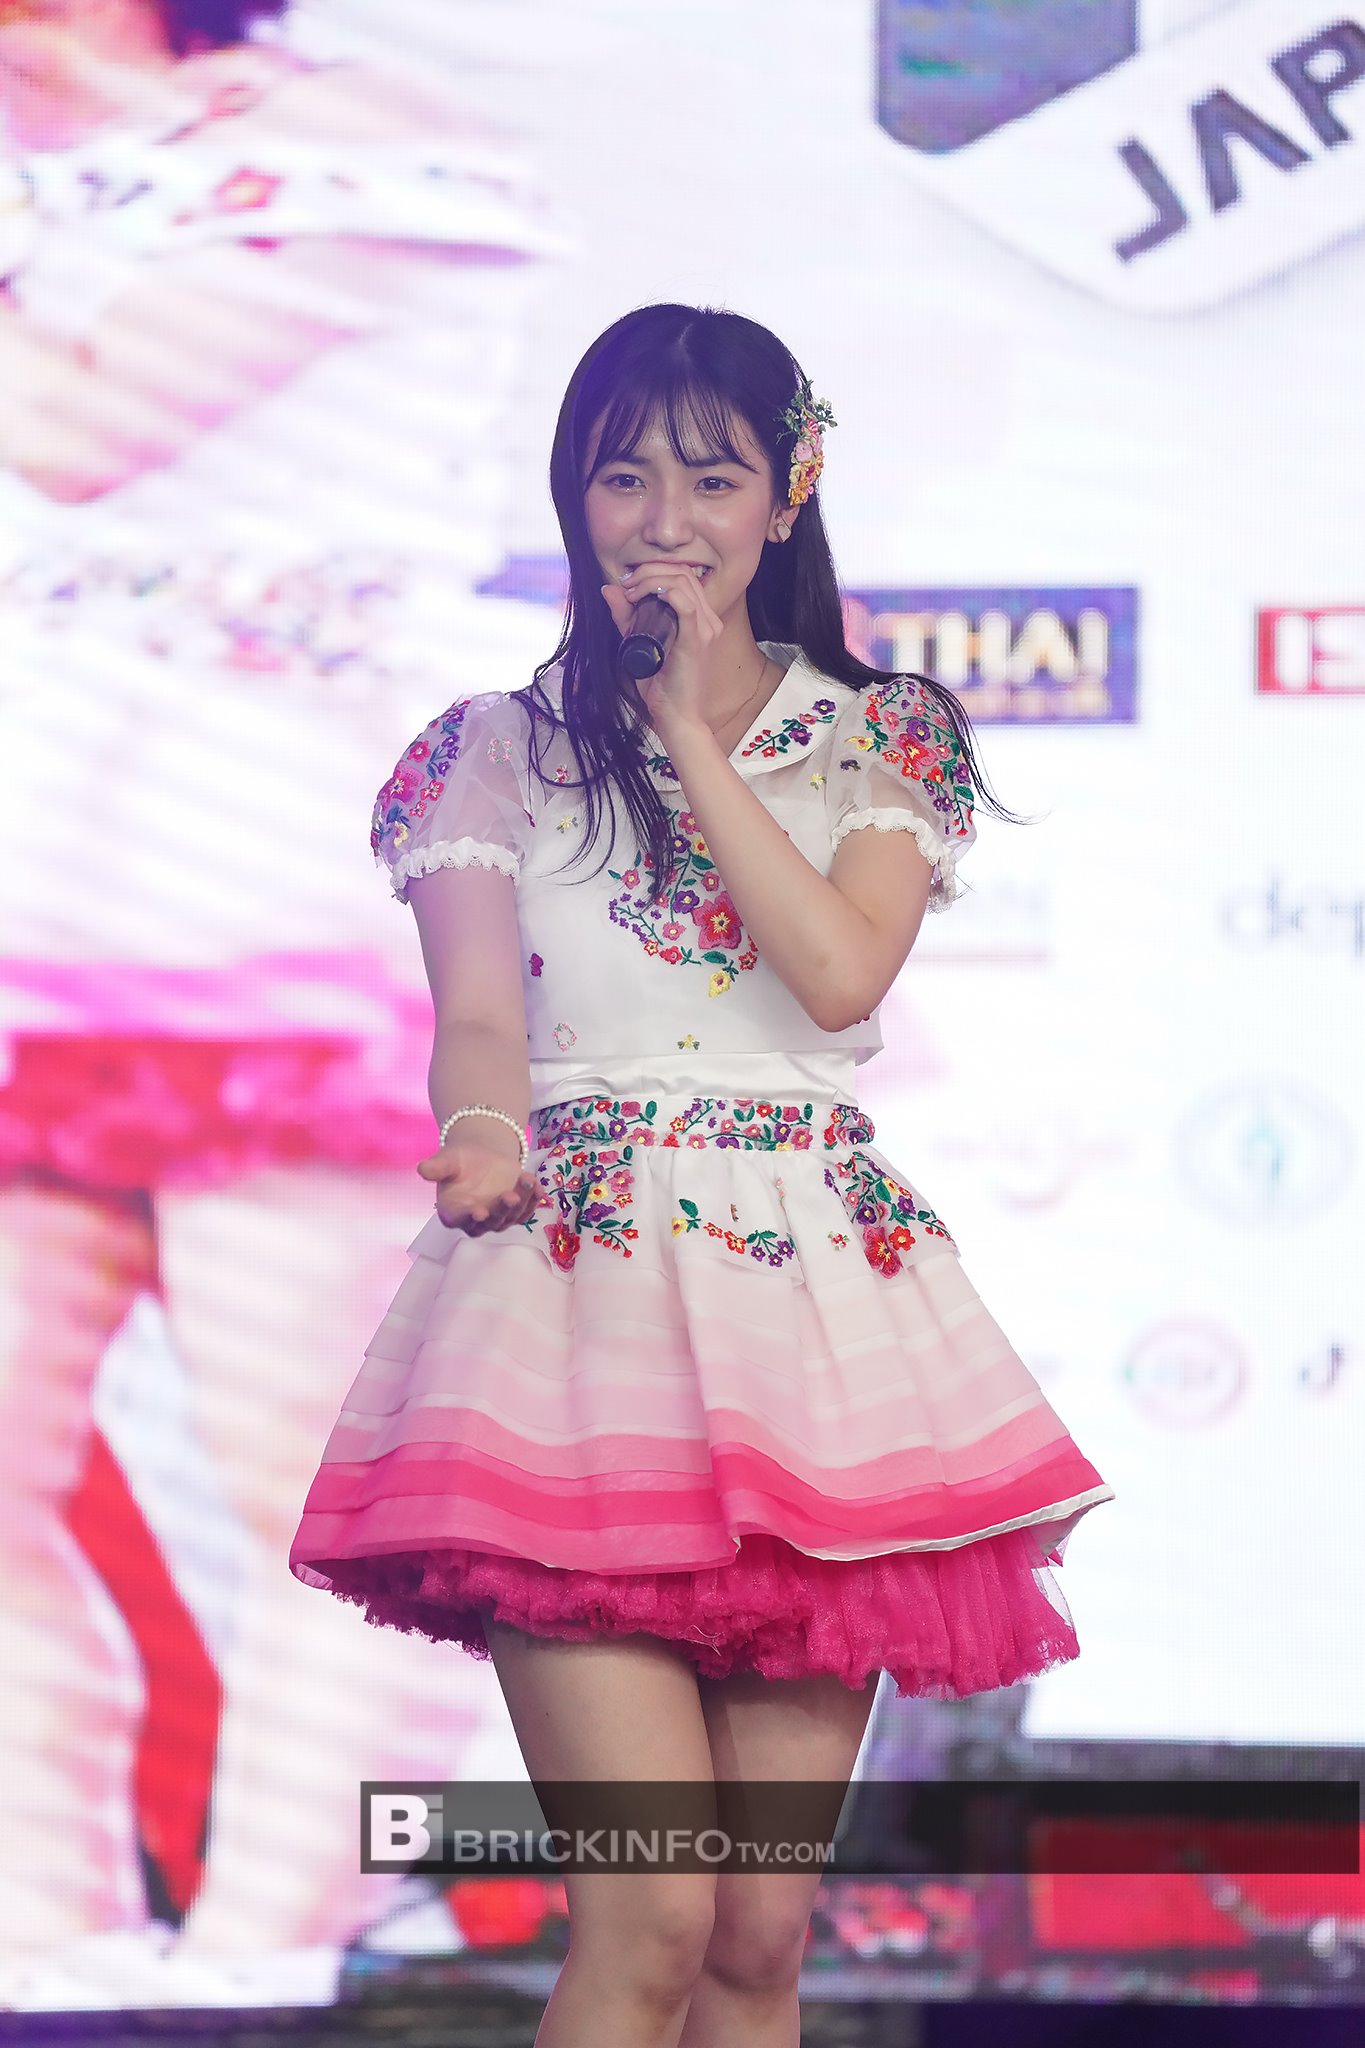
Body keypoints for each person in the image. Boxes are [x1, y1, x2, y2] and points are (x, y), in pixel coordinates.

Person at [289, 301, 1116, 2048]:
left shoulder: (881, 735)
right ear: (571, 497)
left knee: (753, 1942)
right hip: (571, 1325)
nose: (662, 519)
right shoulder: (488, 750)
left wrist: (685, 729)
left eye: (710, 478)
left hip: (808, 1324)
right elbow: (479, 1025)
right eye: (622, 478)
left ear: (784, 497)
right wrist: (483, 1130)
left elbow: (836, 976)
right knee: (651, 1913)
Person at [0, 0, 566, 2008]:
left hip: (258, 865)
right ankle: (44, 1939)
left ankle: (259, 1966)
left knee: (311, 1479)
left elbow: (81, 424)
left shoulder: (364, 136)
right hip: (32, 835)